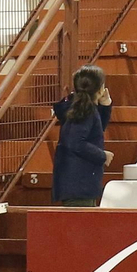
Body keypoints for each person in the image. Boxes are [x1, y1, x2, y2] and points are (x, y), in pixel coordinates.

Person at [53, 65, 113, 207]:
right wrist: (102, 156)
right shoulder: (84, 111)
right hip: (79, 184)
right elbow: (76, 142)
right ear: (100, 89)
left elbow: (96, 131)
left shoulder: (80, 109)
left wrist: (105, 105)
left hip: (77, 183)